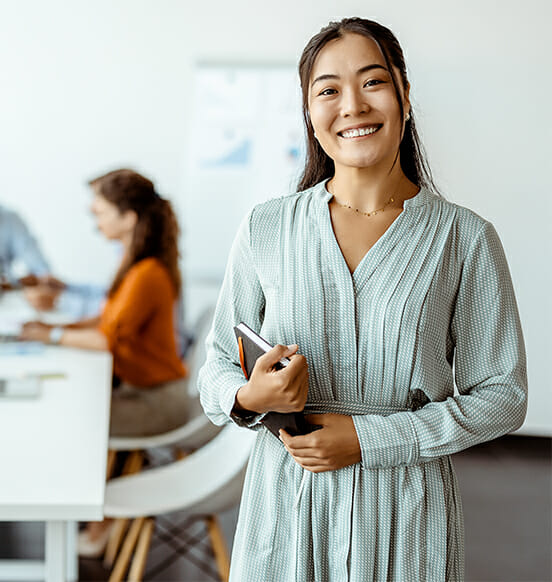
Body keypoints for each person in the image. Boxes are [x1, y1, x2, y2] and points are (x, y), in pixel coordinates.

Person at [197, 17, 527, 582]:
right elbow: (215, 372)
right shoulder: (266, 227)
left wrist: (368, 439)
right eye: (328, 90)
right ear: (309, 113)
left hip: (406, 509)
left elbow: (502, 396)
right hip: (286, 504)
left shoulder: (465, 238)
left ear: (402, 93)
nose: (351, 105)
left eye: (372, 82)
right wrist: (250, 395)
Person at [21, 169, 189, 436]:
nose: (95, 222)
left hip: (155, 402)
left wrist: (50, 334)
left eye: (100, 213)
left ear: (128, 218)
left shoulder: (147, 273)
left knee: (63, 420)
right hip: (140, 390)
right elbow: (108, 320)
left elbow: (108, 340)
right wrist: (59, 328)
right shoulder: (133, 264)